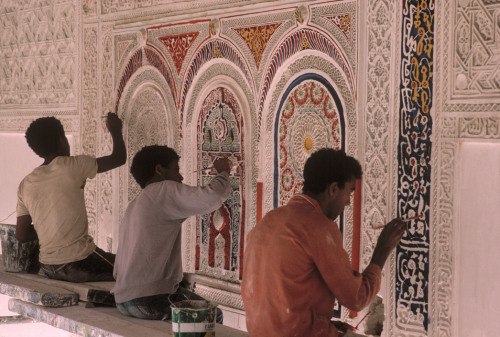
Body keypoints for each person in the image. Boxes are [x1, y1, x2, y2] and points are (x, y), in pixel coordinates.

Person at [241, 148, 406, 337]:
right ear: (334, 189)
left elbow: (279, 302)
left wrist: (317, 320)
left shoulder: (267, 222)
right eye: (349, 193)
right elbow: (356, 298)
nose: (348, 203)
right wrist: (382, 250)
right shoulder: (318, 227)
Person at [112, 145, 232, 323]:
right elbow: (214, 195)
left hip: (123, 300)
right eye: (176, 170)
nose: (181, 177)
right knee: (212, 316)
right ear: (159, 170)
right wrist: (223, 172)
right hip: (148, 299)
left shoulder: (136, 204)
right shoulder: (163, 190)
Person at [16, 113, 126, 282]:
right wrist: (115, 130)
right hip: (78, 262)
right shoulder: (73, 165)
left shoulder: (25, 184)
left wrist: (50, 229)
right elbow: (118, 158)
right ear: (62, 140)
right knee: (133, 267)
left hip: (47, 266)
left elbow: (21, 235)